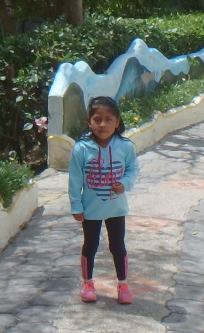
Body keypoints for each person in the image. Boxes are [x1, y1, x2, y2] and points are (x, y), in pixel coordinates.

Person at [68, 96, 140, 304]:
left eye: (109, 119)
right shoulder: (81, 148)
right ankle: (88, 283)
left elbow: (133, 169)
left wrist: (124, 183)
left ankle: (123, 284)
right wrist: (76, 205)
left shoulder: (125, 146)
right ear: (88, 122)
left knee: (117, 245)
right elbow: (75, 179)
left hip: (116, 208)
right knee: (90, 245)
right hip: (91, 209)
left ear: (117, 122)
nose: (103, 124)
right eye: (97, 119)